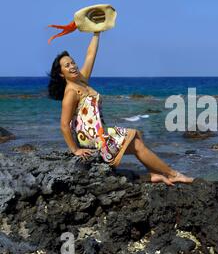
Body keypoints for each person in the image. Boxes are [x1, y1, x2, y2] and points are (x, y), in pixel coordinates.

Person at [48, 32, 193, 186]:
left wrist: (96, 33)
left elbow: (90, 55)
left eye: (73, 62)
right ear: (61, 74)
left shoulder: (81, 81)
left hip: (100, 132)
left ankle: (154, 173)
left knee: (136, 134)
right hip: (93, 139)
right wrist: (75, 150)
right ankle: (172, 174)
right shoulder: (71, 92)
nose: (72, 66)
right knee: (137, 145)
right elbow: (64, 124)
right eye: (67, 65)